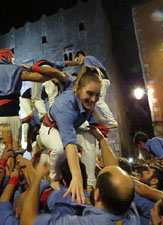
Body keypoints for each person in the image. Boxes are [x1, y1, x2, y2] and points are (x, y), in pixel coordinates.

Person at [0, 49, 65, 167]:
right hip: (6, 118)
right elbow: (39, 78)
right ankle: (11, 181)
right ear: (8, 59)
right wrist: (35, 68)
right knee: (10, 156)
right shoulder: (12, 69)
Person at [38, 66, 103, 203]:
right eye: (90, 94)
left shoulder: (87, 99)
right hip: (49, 128)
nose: (93, 99)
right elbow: (70, 143)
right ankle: (54, 178)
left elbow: (90, 117)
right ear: (78, 90)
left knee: (90, 137)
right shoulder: (66, 105)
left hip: (70, 127)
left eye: (97, 95)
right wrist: (76, 175)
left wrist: (101, 125)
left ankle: (90, 184)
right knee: (60, 148)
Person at [21, 163, 140, 225]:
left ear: (97, 194)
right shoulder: (131, 213)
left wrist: (38, 177)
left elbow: (28, 222)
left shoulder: (88, 223)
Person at [72, 50, 118, 128]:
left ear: (80, 55)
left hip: (102, 80)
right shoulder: (90, 60)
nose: (77, 63)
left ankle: (112, 121)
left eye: (76, 60)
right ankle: (100, 120)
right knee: (94, 101)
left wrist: (77, 78)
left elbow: (86, 69)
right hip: (103, 80)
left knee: (99, 101)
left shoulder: (87, 59)